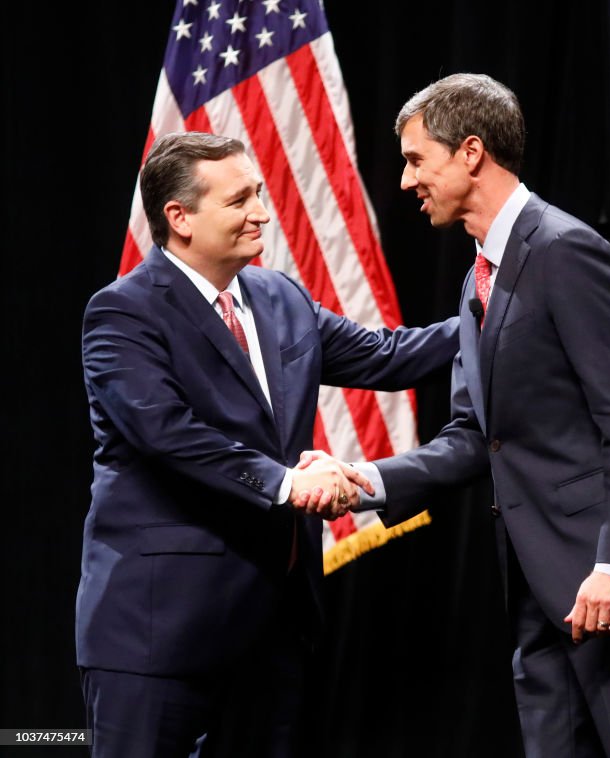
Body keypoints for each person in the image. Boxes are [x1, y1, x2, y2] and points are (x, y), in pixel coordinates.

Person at [77, 131, 459, 757]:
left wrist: (490, 306)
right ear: (179, 218)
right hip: (156, 635)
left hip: (272, 628)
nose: (262, 211)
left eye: (258, 193)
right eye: (239, 200)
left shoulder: (279, 296)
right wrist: (286, 482)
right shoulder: (123, 313)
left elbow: (389, 357)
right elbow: (166, 433)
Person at [352, 74, 610, 756]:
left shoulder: (565, 251)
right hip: (540, 595)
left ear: (471, 152)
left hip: (609, 589)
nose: (405, 181)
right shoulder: (478, 276)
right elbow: (478, 438)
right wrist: (369, 480)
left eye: (417, 159)